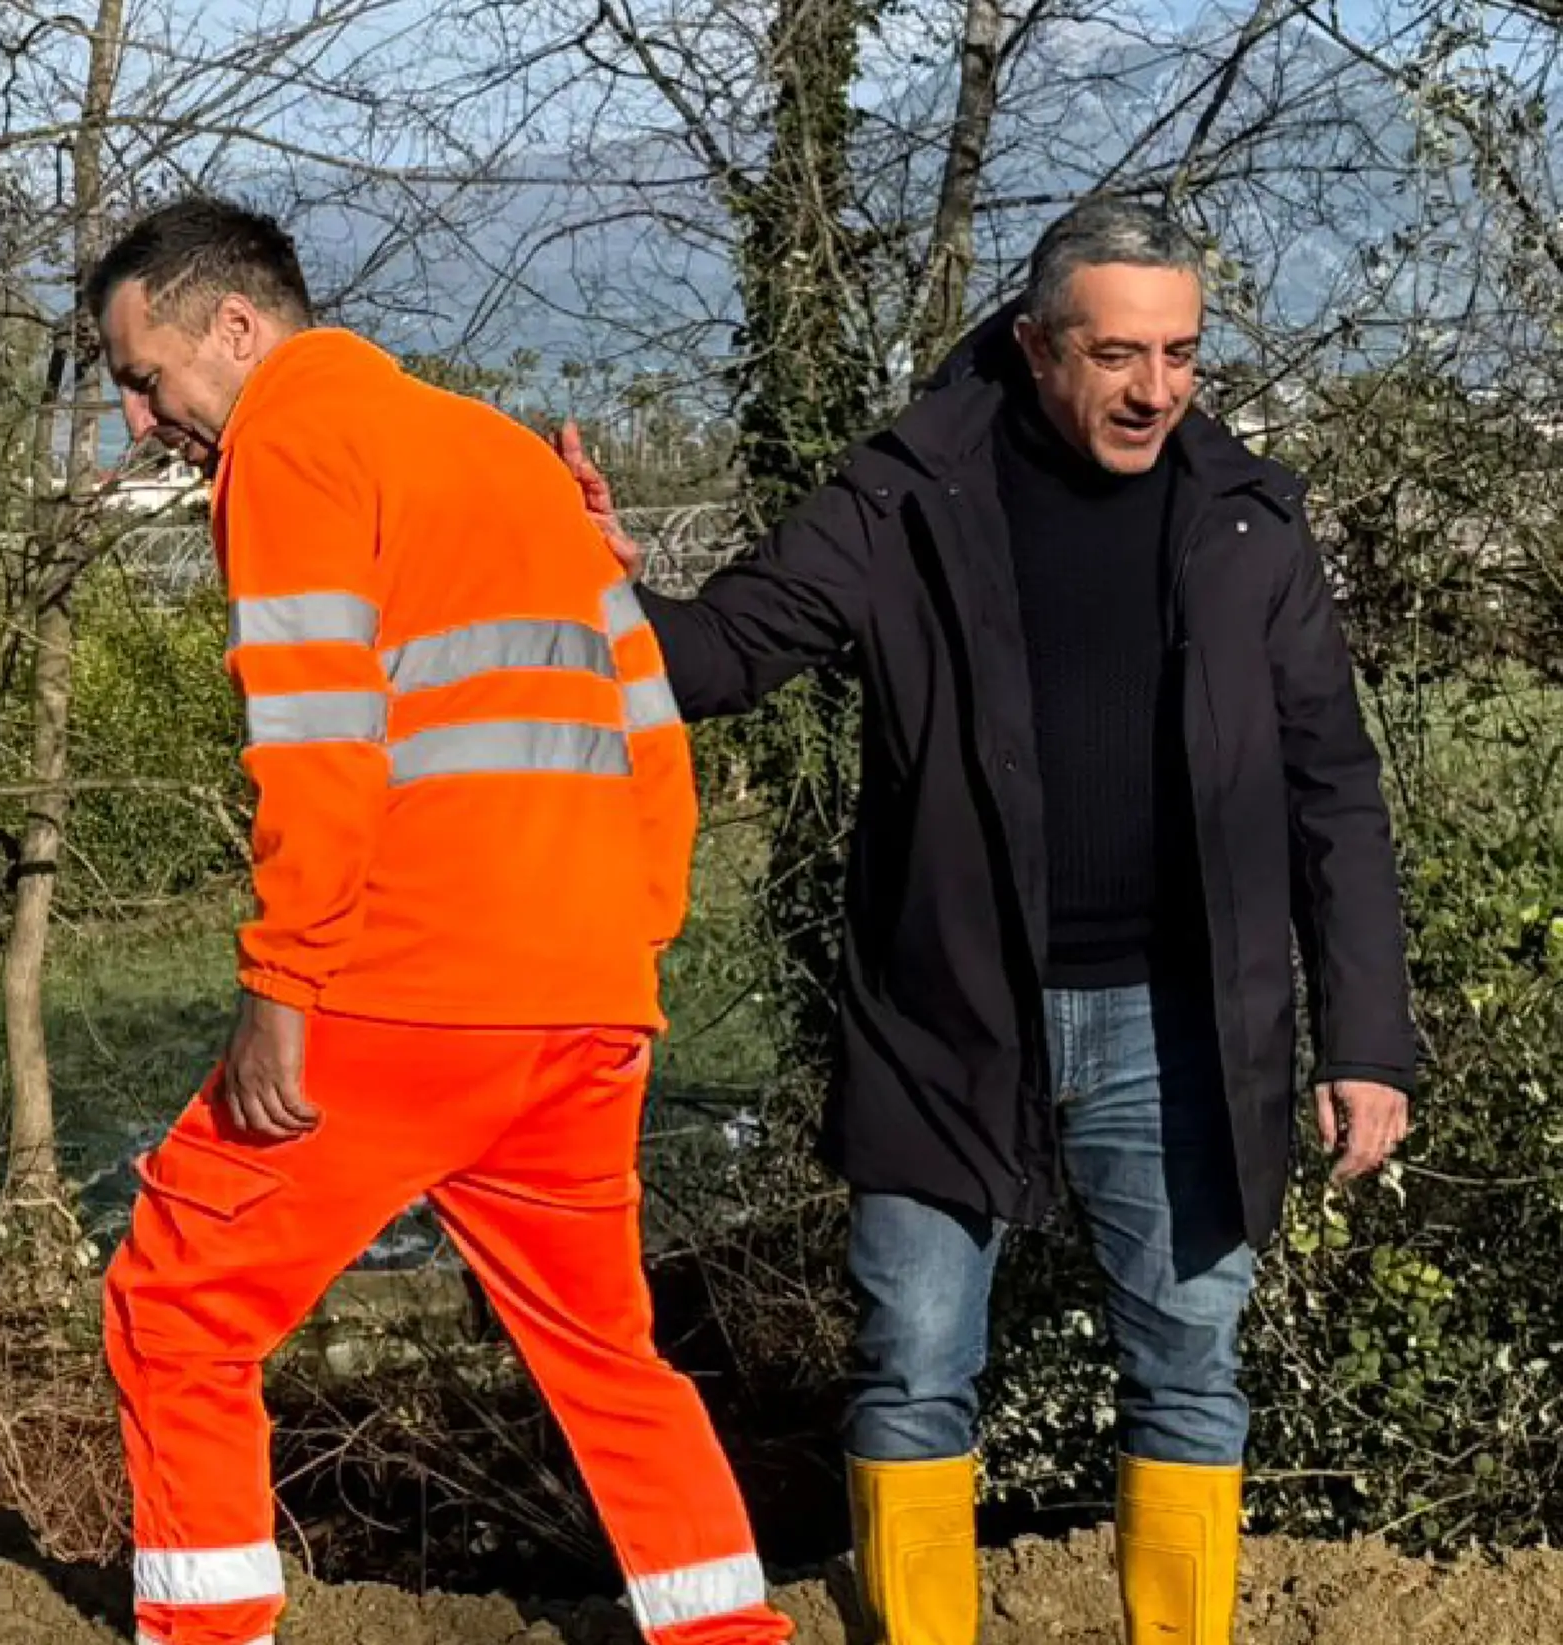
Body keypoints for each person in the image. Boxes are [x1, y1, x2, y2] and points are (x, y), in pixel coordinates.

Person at [558, 196, 1419, 1645]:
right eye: (1117, 355)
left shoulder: (1250, 520)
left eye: (1182, 354)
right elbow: (715, 657)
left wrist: (1368, 1040)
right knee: (912, 1372)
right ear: (1034, 345)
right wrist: (592, 574)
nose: (1154, 389)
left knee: (1191, 1374)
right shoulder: (906, 497)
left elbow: (1334, 786)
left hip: (1187, 1029)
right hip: (943, 1013)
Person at [85, 196, 790, 1645]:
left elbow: (319, 747)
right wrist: (630, 934)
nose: (145, 424)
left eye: (146, 381)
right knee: (608, 1359)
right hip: (583, 993)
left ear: (236, 327)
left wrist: (283, 984)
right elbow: (649, 722)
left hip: (402, 991)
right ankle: (726, 1634)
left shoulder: (292, 439)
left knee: (176, 1304)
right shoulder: (506, 453)